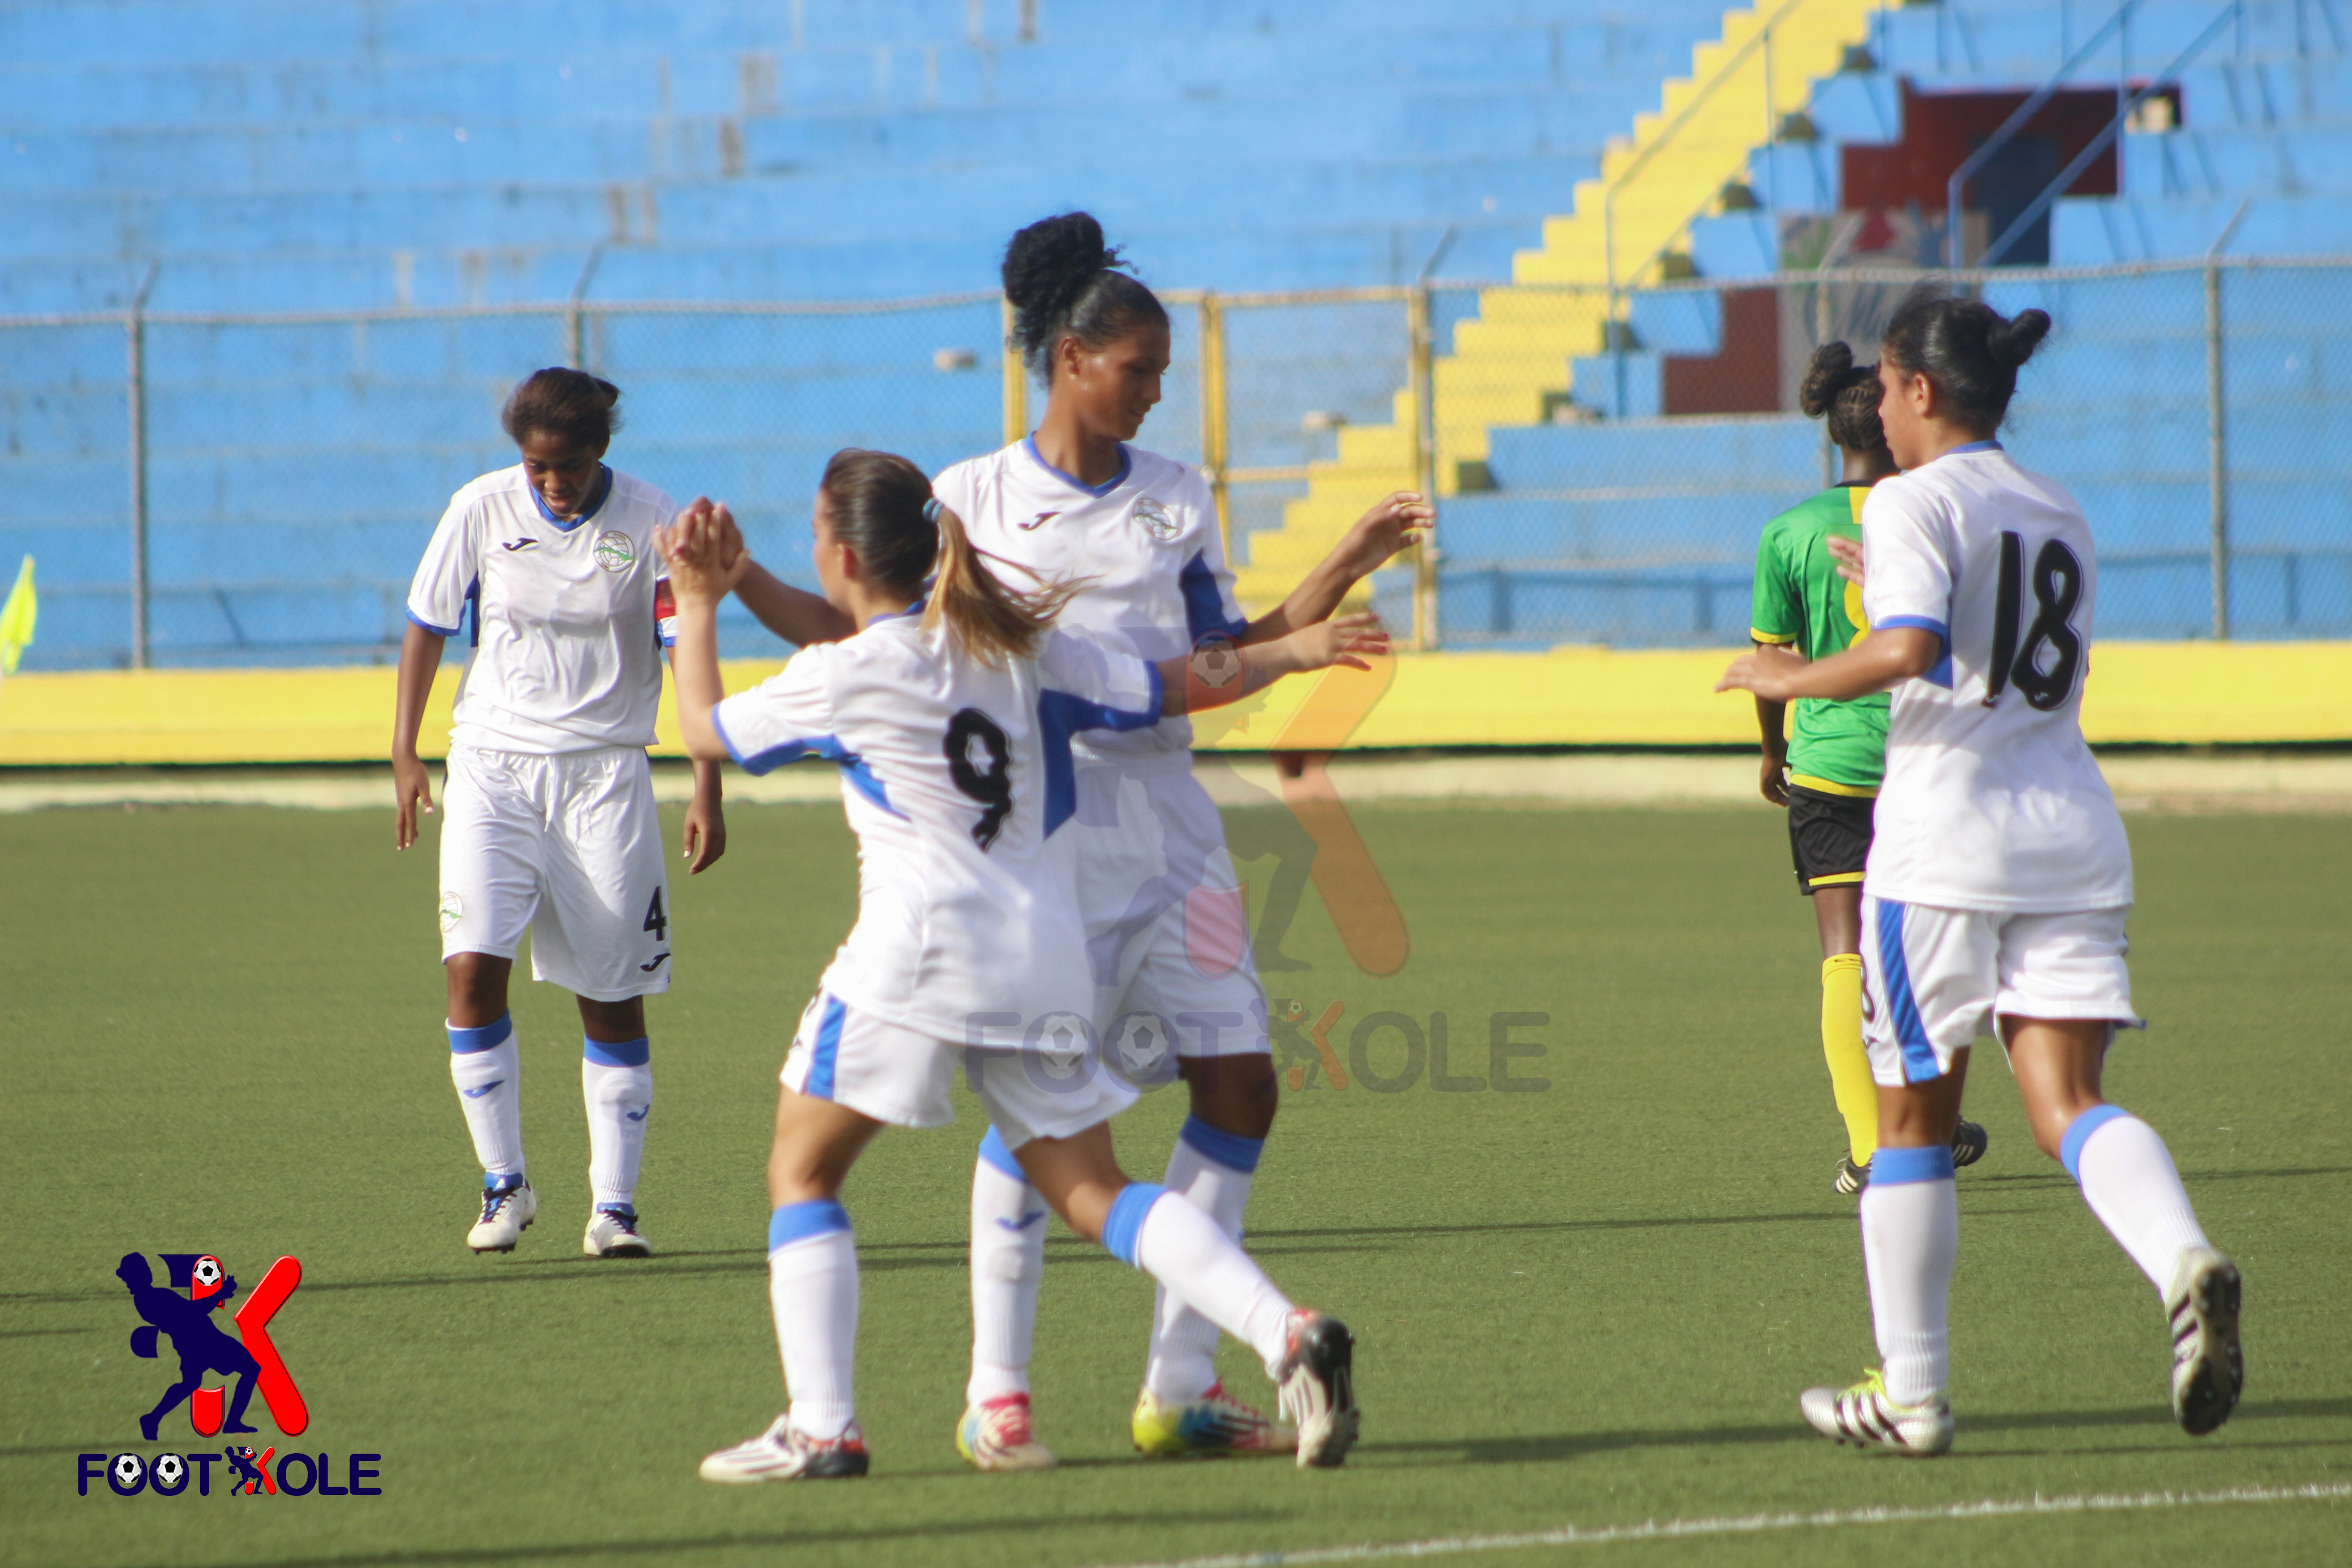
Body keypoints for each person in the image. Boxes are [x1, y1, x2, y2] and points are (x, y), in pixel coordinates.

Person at [666, 450, 1382, 1482]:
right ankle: (1285, 1331)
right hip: (1043, 960)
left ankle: (823, 1426)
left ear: (840, 553)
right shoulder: (1019, 646)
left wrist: (697, 601)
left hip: (912, 960)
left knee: (803, 1167)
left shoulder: (849, 671)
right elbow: (1169, 686)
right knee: (1094, 1190)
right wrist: (1292, 652)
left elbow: (701, 728)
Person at [930, 211, 1429, 1468]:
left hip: (1178, 833)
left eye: (1162, 370)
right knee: (1041, 1122)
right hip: (1050, 840)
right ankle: (999, 1392)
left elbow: (1230, 645)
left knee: (1242, 1081)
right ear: (1070, 357)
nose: (1156, 391)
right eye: (1140, 368)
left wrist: (1341, 569)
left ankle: (1179, 1388)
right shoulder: (970, 503)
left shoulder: (1176, 497)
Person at [1718, 294, 2242, 1454]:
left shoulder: (1911, 497)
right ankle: (2183, 1259)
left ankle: (1912, 1397)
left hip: (1945, 837)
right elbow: (1987, 634)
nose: (1882, 413)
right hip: (2070, 831)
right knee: (2067, 1104)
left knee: (1908, 1117)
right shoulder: (2055, 505)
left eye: (1893, 389)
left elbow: (1906, 651)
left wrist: (1784, 681)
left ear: (1919, 390)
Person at [392, 368, 725, 1259]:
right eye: (537, 464)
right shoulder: (480, 510)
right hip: (493, 767)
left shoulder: (651, 523)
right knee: (471, 973)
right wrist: (405, 748)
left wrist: (707, 780)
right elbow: (427, 622)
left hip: (606, 775)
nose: (551, 481)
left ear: (600, 450)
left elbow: (688, 648)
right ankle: (506, 1187)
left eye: (568, 463)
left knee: (611, 997)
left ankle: (613, 1208)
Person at [1750, 343, 1986, 1196]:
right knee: (1922, 950)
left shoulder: (1791, 530)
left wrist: (1774, 752)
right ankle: (1934, 1117)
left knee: (1842, 955)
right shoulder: (1933, 514)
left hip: (1831, 768)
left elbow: (1773, 660)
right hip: (1922, 759)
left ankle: (1870, 1145)